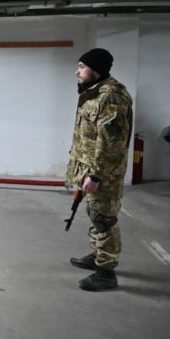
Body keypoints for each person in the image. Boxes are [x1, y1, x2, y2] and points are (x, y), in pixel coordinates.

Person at [67, 48, 133, 292]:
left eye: (82, 66)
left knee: (104, 219)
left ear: (95, 70)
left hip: (103, 173)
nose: (77, 71)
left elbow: (111, 145)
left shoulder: (111, 98)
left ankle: (106, 273)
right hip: (91, 169)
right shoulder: (94, 93)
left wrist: (96, 175)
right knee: (95, 214)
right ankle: (97, 256)